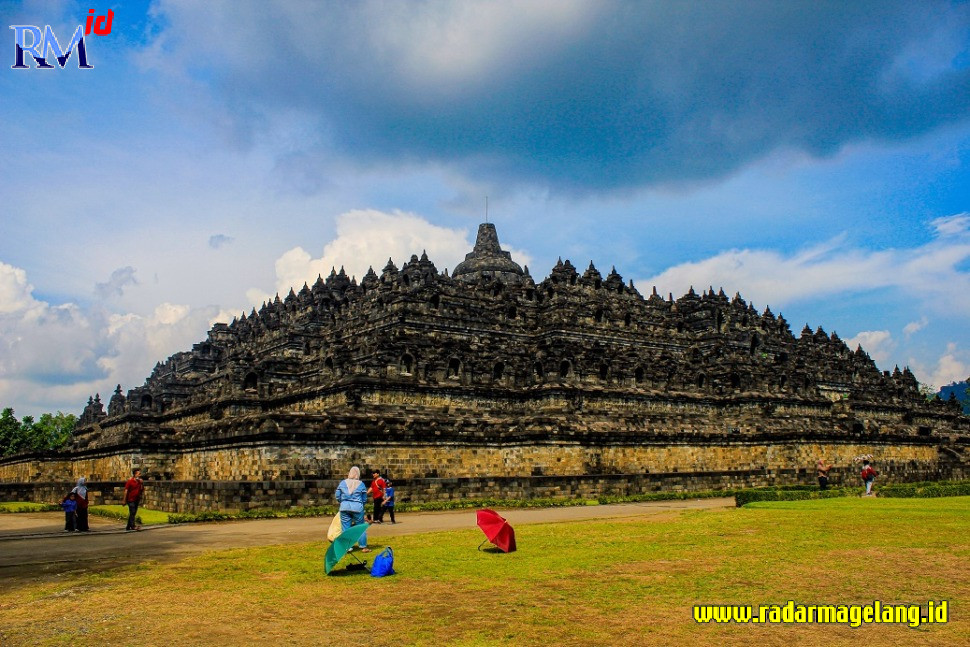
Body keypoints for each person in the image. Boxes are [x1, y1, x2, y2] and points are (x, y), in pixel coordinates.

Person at [335, 466, 370, 553]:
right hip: (357, 508)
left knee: (345, 528)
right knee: (360, 527)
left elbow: (337, 495)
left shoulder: (343, 483)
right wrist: (361, 505)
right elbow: (364, 498)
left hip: (344, 507)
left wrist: (342, 502)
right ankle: (363, 546)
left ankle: (347, 547)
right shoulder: (361, 484)